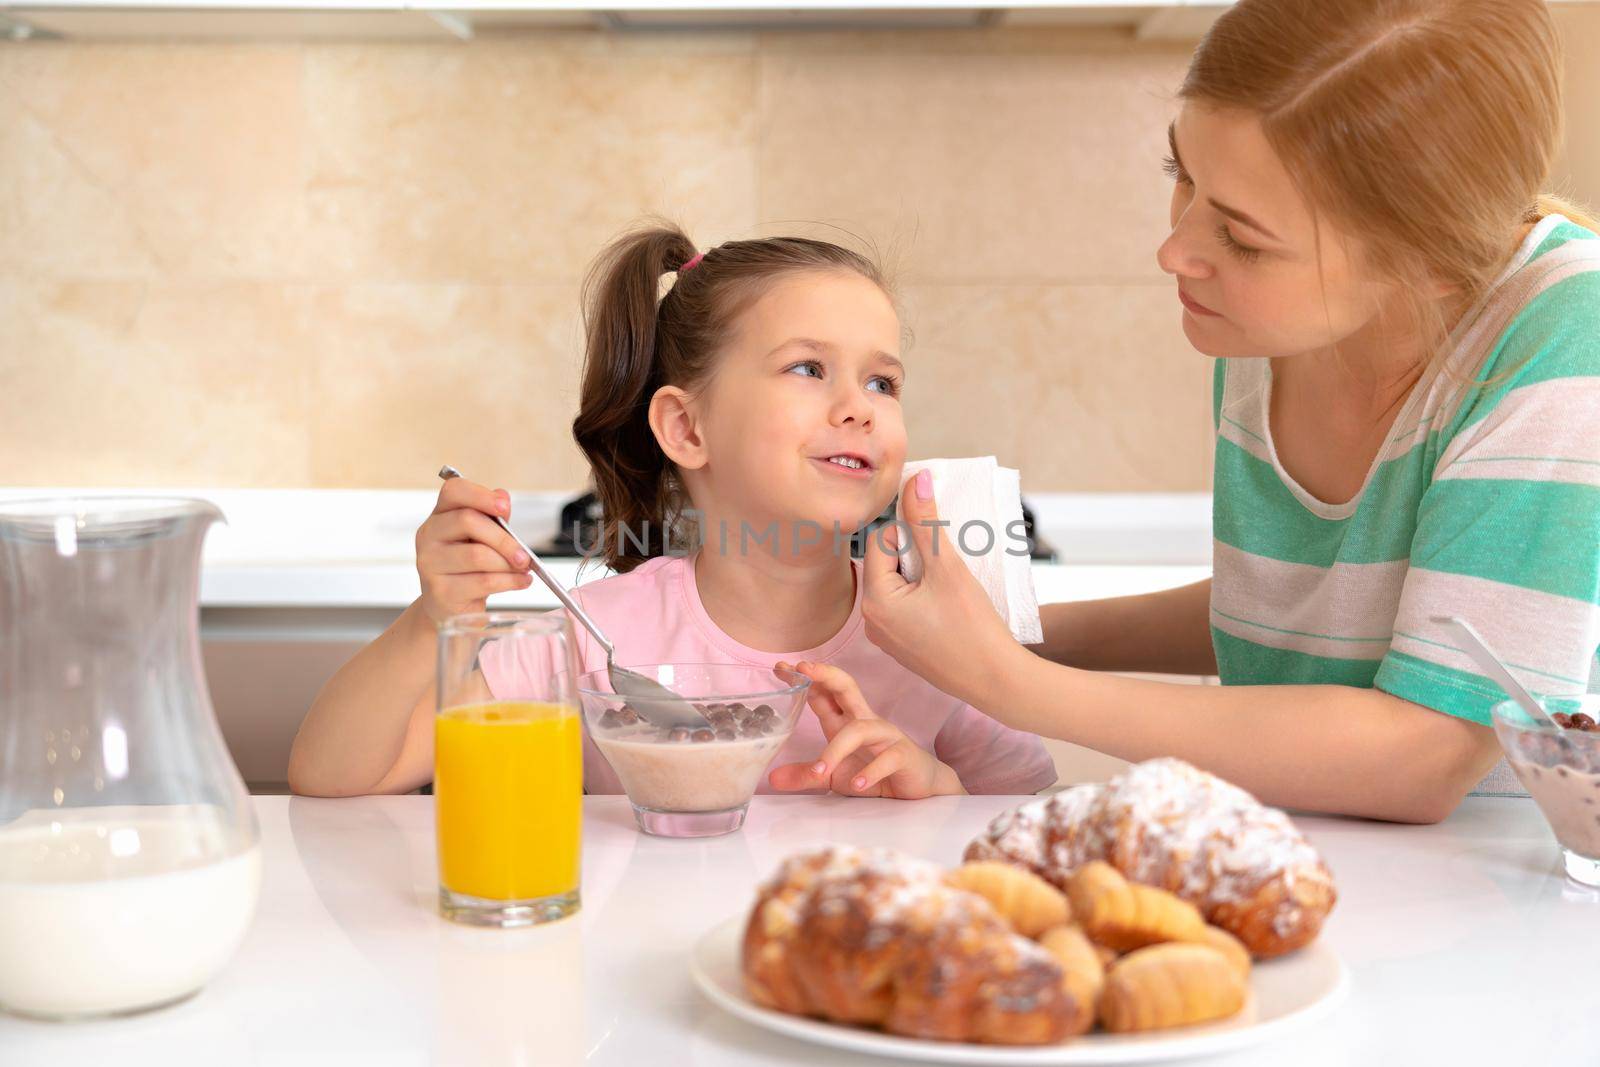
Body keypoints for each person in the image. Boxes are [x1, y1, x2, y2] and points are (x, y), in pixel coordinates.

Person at [853, 0, 1600, 823]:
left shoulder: (1564, 332)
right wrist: (1003, 627)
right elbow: (1287, 612)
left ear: (1426, 266)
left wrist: (1010, 681)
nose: (1174, 251)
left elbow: (1423, 756)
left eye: (1242, 239)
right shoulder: (1274, 321)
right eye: (1183, 177)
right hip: (1302, 846)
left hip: (1497, 902)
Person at [287, 225, 1057, 801]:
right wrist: (430, 617)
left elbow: (1028, 817)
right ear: (688, 428)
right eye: (808, 368)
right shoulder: (590, 641)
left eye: (883, 383)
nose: (859, 407)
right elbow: (337, 778)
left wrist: (939, 789)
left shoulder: (932, 642)